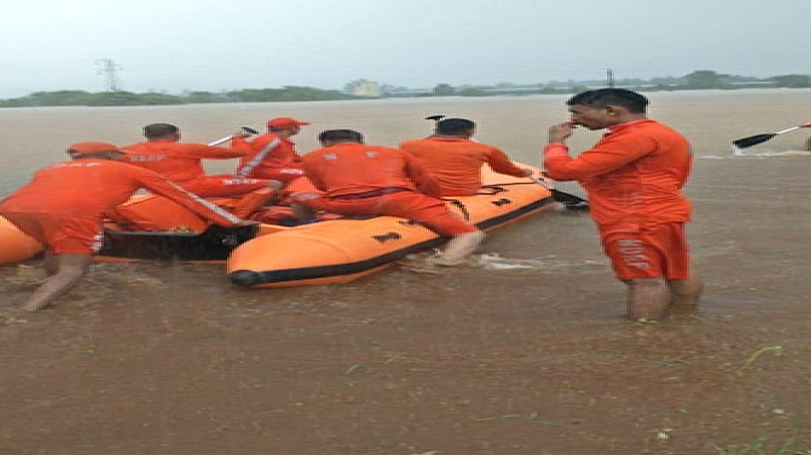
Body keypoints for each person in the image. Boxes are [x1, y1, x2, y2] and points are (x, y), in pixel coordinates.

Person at [0, 142, 251, 312]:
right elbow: (184, 196)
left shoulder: (50, 169)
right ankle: (27, 313)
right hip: (73, 213)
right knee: (74, 270)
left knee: (54, 247)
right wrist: (232, 222)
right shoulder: (127, 169)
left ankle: (42, 282)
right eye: (120, 154)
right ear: (110, 155)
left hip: (12, 208)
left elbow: (52, 195)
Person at [543, 88, 701, 322]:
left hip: (633, 218)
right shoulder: (664, 133)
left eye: (577, 113)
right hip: (663, 212)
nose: (573, 120)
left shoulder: (633, 137)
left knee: (643, 279)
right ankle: (685, 319)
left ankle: (642, 336)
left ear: (611, 111)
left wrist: (556, 144)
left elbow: (562, 170)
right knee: (677, 270)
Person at [293, 129, 484, 265]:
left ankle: (311, 226)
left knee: (297, 197)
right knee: (469, 233)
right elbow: (426, 181)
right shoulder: (394, 152)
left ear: (325, 143)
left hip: (345, 204)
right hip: (398, 201)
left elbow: (322, 187)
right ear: (361, 141)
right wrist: (435, 203)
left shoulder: (311, 157)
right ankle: (445, 263)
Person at [121, 123, 282, 218]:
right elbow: (241, 153)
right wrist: (238, 139)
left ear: (146, 135)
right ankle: (236, 218)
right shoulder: (188, 149)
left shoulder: (128, 152)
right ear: (177, 135)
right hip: (195, 187)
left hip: (160, 191)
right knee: (273, 184)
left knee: (229, 177)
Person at [399, 117, 533, 196]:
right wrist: (525, 173)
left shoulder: (407, 145)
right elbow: (505, 170)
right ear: (470, 132)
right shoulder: (486, 150)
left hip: (422, 191)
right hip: (463, 191)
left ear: (436, 131)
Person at [232, 117, 308, 185]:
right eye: (297, 126)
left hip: (279, 168)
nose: (299, 128)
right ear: (291, 128)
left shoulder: (283, 141)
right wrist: (242, 180)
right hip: (268, 172)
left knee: (313, 170)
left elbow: (297, 159)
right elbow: (250, 160)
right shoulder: (269, 141)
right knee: (309, 174)